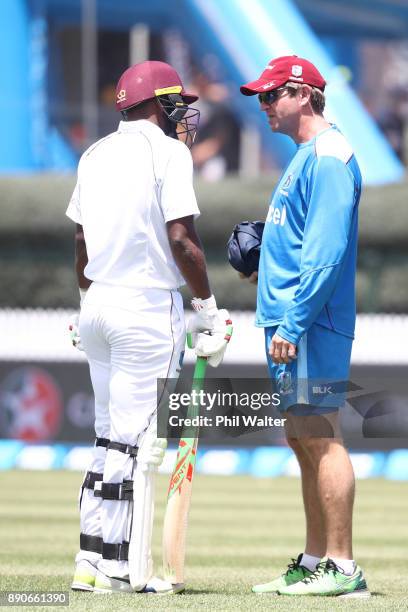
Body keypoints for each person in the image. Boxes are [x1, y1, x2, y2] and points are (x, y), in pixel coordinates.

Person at [66, 60, 230, 595]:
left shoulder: (93, 154)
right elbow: (182, 238)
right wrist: (208, 308)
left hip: (98, 306)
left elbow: (81, 245)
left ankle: (90, 559)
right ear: (158, 103)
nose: (184, 112)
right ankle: (120, 568)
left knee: (108, 437)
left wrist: (85, 303)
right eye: (177, 102)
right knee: (136, 445)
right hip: (144, 310)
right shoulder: (169, 152)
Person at [239, 55, 369, 598]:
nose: (264, 106)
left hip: (308, 324)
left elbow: (326, 252)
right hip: (289, 321)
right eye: (262, 98)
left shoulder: (330, 156)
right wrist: (262, 263)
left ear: (303, 94)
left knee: (322, 435)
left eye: (272, 96)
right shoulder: (305, 156)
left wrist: (292, 321)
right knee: (302, 438)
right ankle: (317, 559)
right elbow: (299, 245)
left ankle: (342, 566)